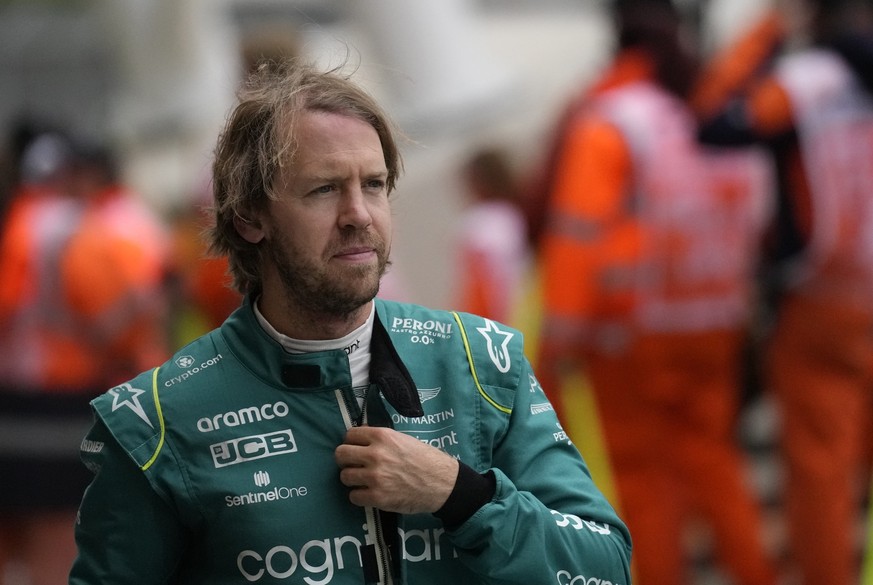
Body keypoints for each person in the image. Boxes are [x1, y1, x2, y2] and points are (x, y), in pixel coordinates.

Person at [68, 59, 632, 584]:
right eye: (324, 190)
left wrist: (461, 494)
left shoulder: (482, 363)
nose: (358, 216)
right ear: (248, 218)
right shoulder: (153, 422)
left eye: (373, 185)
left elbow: (606, 567)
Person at [535, 1, 778, 583]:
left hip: (630, 340)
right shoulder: (710, 112)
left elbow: (577, 237)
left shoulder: (610, 121)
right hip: (715, 323)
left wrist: (555, 348)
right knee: (718, 465)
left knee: (644, 483)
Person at [694, 1, 873, 582]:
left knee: (820, 469)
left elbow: (714, 118)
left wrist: (768, 28)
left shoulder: (808, 84)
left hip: (823, 300)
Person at [453, 146, 530, 324]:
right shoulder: (523, 215)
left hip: (501, 327)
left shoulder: (477, 227)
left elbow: (478, 293)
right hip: (535, 313)